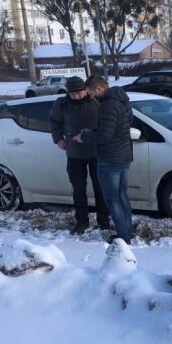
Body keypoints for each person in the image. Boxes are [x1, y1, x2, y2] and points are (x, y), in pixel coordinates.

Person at [73, 75, 133, 243]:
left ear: (98, 89)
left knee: (112, 199)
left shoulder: (108, 105)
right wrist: (92, 129)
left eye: (91, 92)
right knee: (122, 196)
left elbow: (104, 136)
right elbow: (116, 127)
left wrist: (84, 136)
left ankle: (123, 235)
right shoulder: (122, 100)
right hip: (124, 156)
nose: (91, 96)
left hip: (110, 159)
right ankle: (127, 230)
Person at [50, 76, 110, 235]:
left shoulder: (97, 102)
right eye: (72, 94)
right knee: (78, 190)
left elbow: (107, 122)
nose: (75, 96)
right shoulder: (61, 104)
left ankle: (104, 221)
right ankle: (82, 222)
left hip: (96, 152)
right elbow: (54, 121)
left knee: (100, 188)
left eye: (78, 93)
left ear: (85, 90)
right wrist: (58, 139)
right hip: (74, 154)